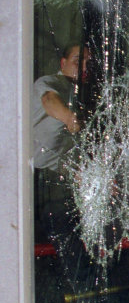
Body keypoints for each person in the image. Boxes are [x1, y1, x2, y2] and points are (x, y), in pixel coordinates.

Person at [32, 43, 88, 278]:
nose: (84, 67)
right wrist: (69, 117)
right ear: (62, 63)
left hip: (63, 177)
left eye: (88, 64)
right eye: (78, 61)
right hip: (43, 177)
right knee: (66, 234)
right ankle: (82, 282)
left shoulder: (81, 92)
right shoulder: (50, 83)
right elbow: (48, 101)